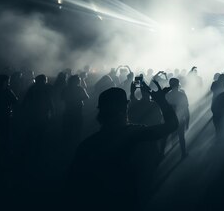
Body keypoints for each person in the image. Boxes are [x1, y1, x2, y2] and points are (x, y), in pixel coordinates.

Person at [67, 83, 178, 211]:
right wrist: (161, 100)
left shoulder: (87, 144)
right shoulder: (134, 133)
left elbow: (72, 186)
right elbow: (172, 125)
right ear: (125, 107)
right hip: (125, 201)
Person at [62, 75, 89, 150]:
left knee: (67, 128)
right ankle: (75, 145)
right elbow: (86, 97)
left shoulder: (66, 88)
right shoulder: (80, 88)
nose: (79, 81)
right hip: (77, 111)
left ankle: (66, 145)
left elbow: (62, 98)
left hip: (68, 111)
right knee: (77, 129)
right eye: (78, 80)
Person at [166, 78, 190, 159]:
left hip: (170, 120)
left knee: (172, 137)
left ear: (170, 84)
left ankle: (173, 154)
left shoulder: (167, 95)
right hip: (180, 119)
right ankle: (183, 153)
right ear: (178, 84)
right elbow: (186, 109)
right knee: (181, 137)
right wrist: (187, 121)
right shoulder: (182, 95)